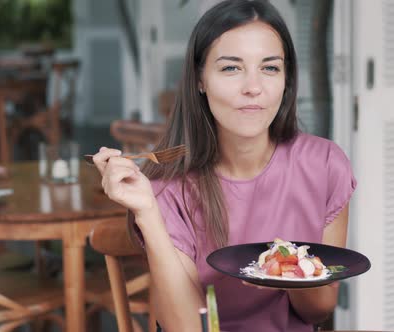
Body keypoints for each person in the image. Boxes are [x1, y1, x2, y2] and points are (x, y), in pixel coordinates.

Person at [93, 0, 356, 331]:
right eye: (231, 68)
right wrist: (148, 213)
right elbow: (185, 328)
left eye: (270, 68)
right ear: (200, 79)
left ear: (286, 79)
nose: (253, 87)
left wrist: (286, 270)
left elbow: (319, 311)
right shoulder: (168, 187)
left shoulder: (324, 165)